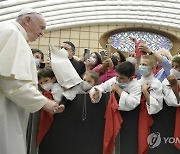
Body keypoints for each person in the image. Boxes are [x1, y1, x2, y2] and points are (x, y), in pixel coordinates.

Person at [0, 8, 62, 154]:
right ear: (27, 20)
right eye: (41, 28)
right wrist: (44, 102)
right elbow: (12, 83)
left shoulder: (10, 31)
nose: (42, 33)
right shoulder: (12, 34)